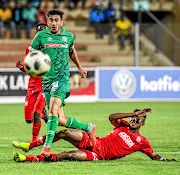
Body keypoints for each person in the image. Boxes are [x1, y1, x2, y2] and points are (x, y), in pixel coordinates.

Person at [28, 9, 96, 157]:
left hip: (62, 79)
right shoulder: (40, 36)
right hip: (46, 80)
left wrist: (79, 67)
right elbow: (31, 53)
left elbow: (72, 51)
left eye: (56, 20)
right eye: (51, 20)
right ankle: (88, 127)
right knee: (60, 119)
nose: (54, 23)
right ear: (47, 22)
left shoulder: (68, 36)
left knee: (52, 109)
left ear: (61, 22)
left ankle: (46, 148)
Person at [12, 108, 176, 162]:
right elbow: (111, 117)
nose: (134, 119)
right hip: (94, 141)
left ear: (142, 124)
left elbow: (153, 155)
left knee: (68, 155)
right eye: (134, 117)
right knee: (64, 132)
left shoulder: (142, 141)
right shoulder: (123, 124)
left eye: (138, 118)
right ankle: (30, 145)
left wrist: (165, 160)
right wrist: (131, 113)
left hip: (98, 155)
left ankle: (27, 159)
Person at [16, 23, 49, 149]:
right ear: (36, 33)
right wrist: (22, 68)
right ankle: (44, 114)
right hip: (32, 85)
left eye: (44, 31)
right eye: (39, 31)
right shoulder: (30, 48)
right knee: (28, 119)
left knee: (36, 113)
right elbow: (28, 67)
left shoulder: (50, 48)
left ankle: (33, 143)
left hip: (45, 84)